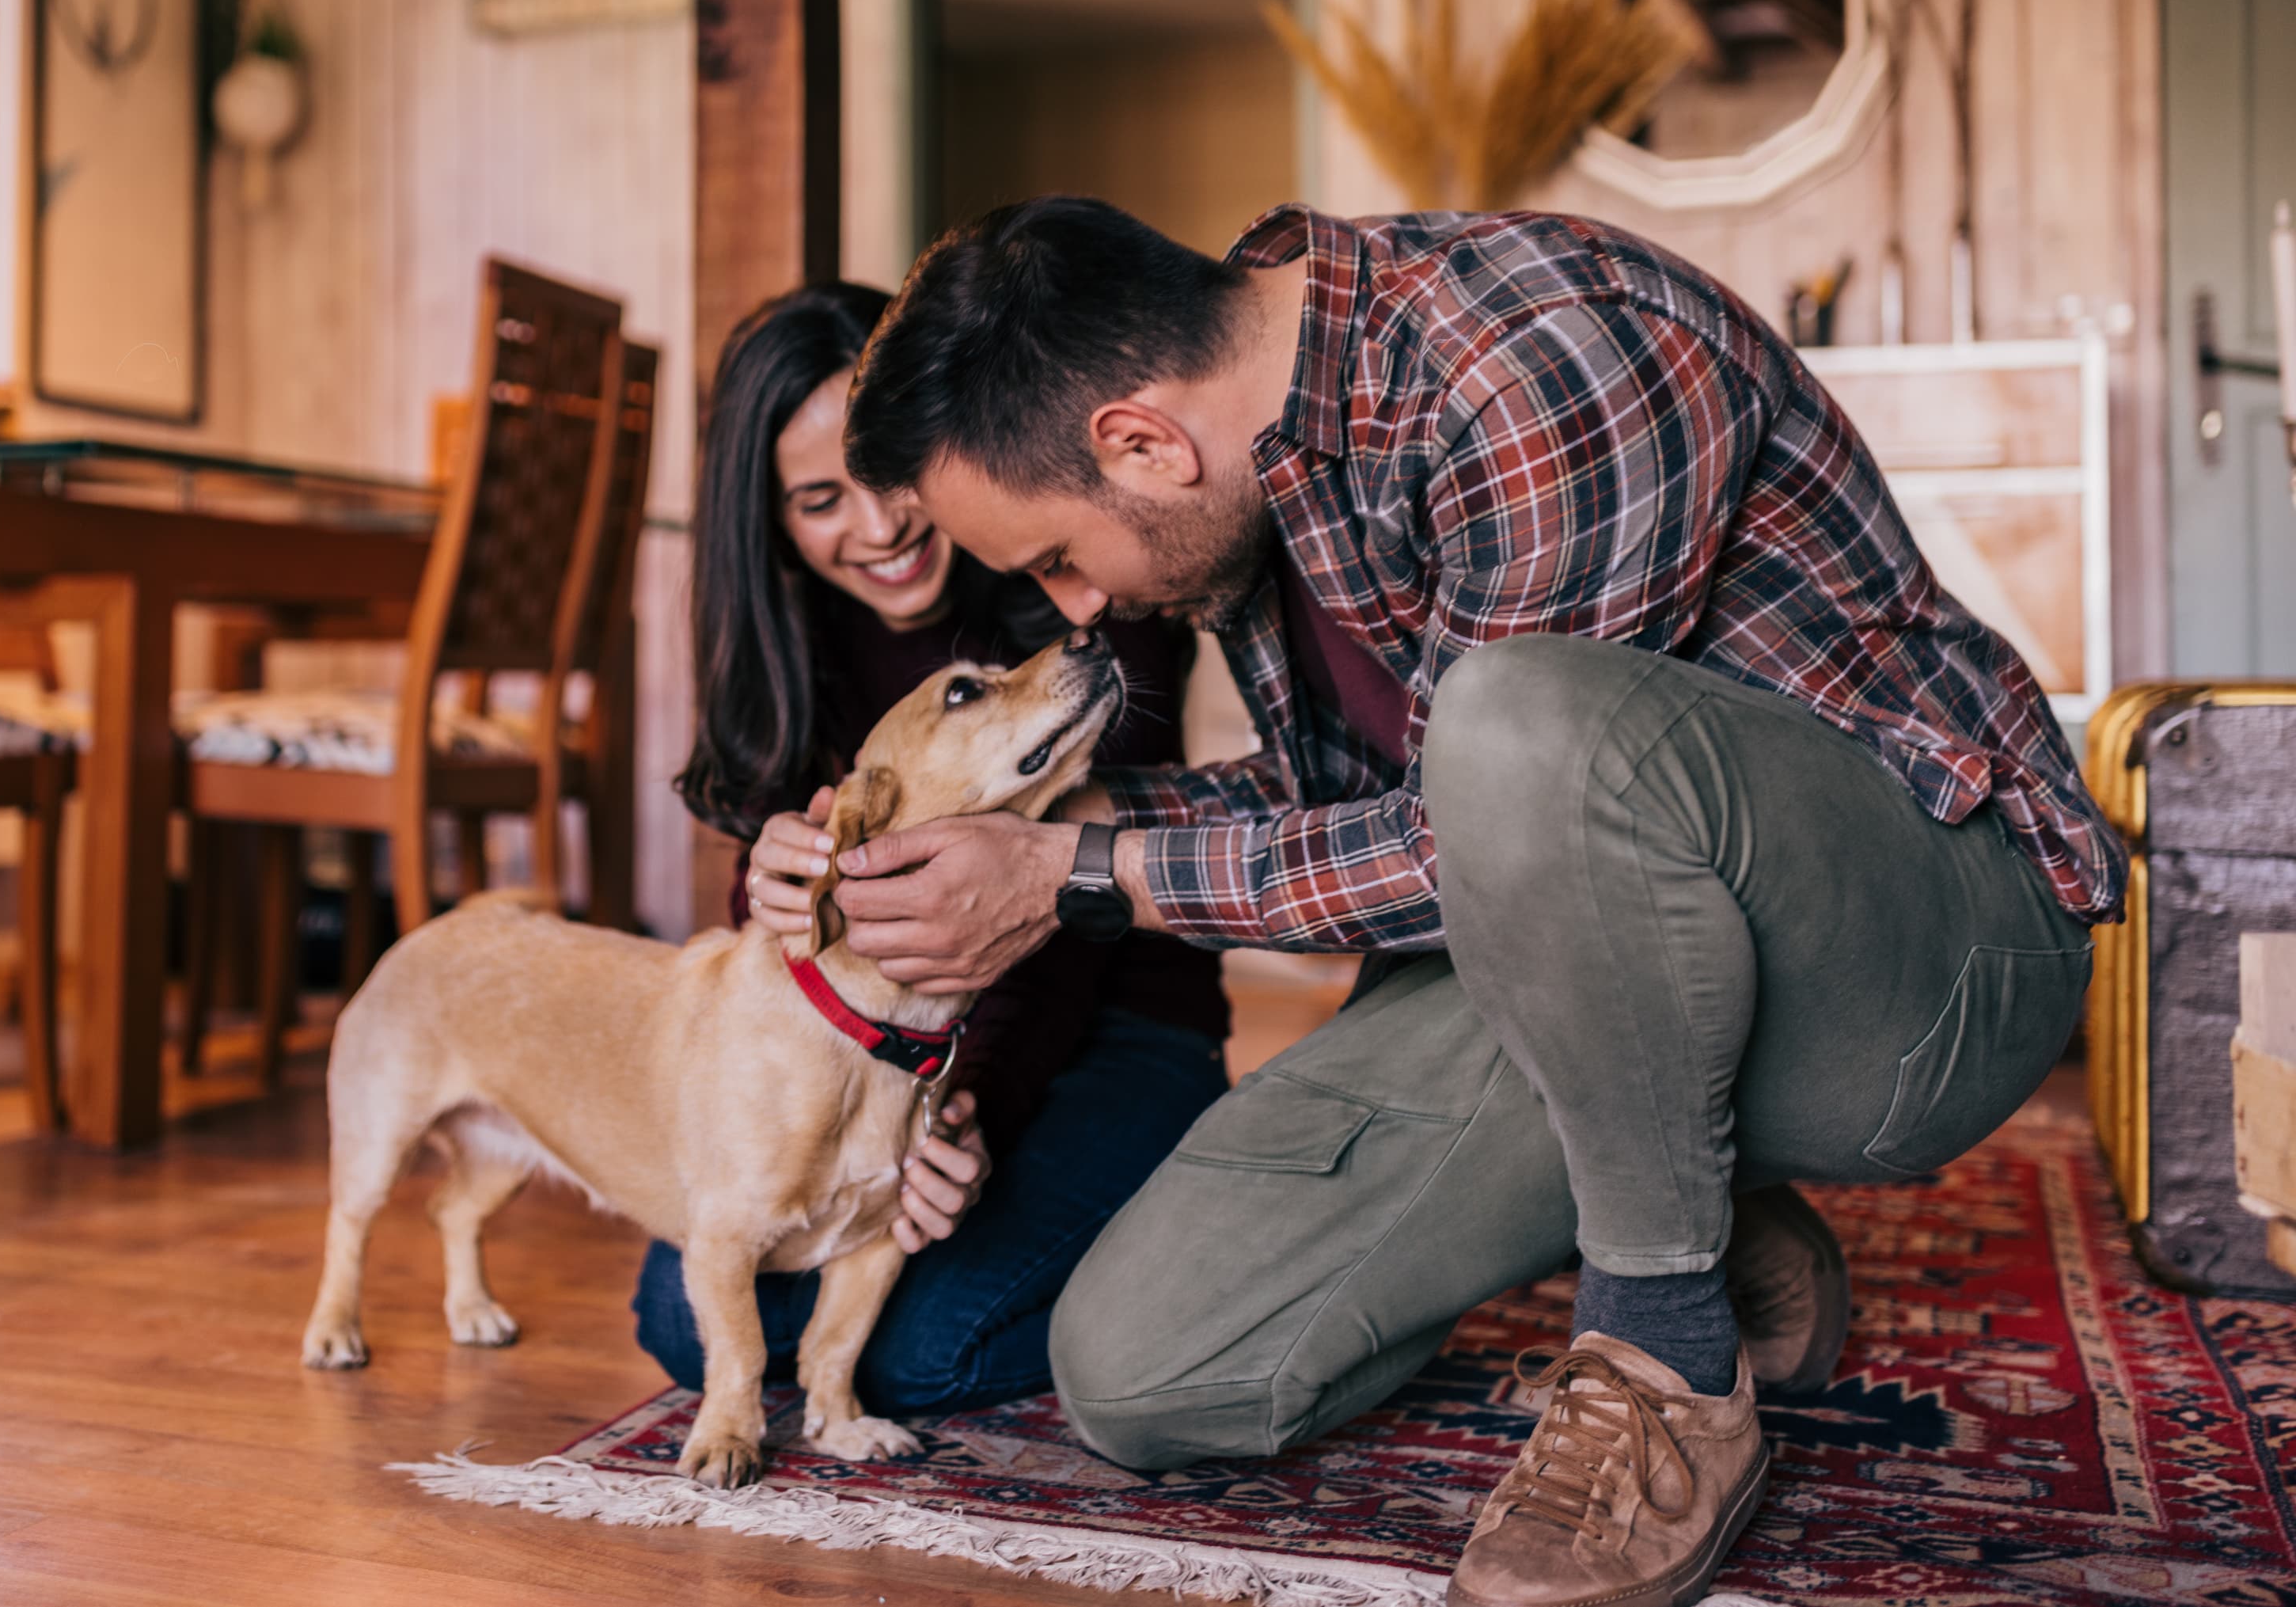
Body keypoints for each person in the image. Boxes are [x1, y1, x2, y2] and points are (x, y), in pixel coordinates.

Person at [825, 199, 2123, 1607]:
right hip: (1593, 958)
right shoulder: (1261, 475)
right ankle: (1722, 1214)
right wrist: (1025, 839)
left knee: (1508, 725)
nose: (1078, 609)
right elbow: (1357, 826)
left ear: (1144, 442)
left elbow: (1481, 817)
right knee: (1144, 1366)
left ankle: (1665, 1350)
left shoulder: (1535, 354)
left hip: (1933, 959)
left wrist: (1089, 877)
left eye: (1056, 559)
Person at [632, 281, 1232, 1417]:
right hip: (871, 1063)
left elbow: (1063, 936)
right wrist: (772, 881)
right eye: (818, 499)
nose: (879, 525)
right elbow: (787, 946)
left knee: (919, 1348)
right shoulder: (785, 638)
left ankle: (1210, 1262)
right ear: (771, 522)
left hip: (1107, 1021)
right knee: (691, 1313)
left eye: (890, 471)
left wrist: (964, 1113)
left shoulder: (1085, 580)